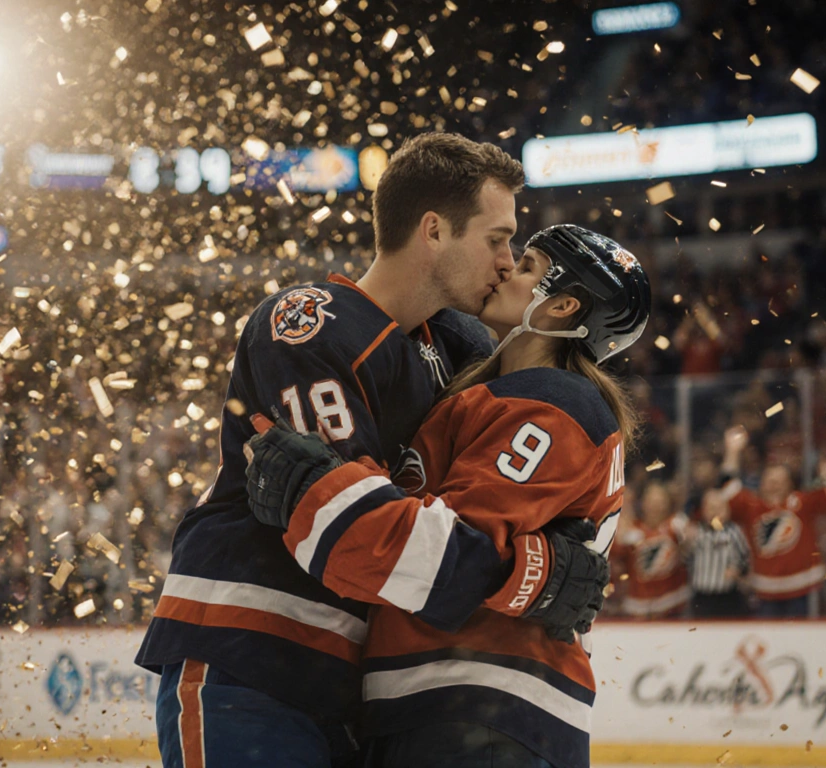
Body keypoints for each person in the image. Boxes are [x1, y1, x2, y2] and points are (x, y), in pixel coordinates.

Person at [135, 134, 612, 768]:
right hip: (249, 651)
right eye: (497, 239)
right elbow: (348, 524)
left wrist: (543, 554)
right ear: (434, 230)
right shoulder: (310, 319)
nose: (507, 260)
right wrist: (528, 574)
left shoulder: (462, 348)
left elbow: (513, 498)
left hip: (360, 687)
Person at [245, 224, 651, 768]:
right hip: (453, 702)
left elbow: (446, 555)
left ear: (562, 306)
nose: (507, 268)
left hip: (484, 702)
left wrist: (316, 493)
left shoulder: (553, 403)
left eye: (528, 265)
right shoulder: (491, 386)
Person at [717, 423, 826, 618]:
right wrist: (732, 452)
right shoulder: (752, 506)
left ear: (790, 485)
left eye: (779, 481)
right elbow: (727, 489)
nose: (773, 485)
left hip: (805, 588)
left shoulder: (803, 502)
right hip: (766, 591)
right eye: (769, 481)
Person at [613, 481, 691, 618]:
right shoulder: (632, 532)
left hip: (672, 605)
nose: (655, 507)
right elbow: (615, 559)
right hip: (639, 607)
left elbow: (690, 547)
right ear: (642, 503)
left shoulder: (676, 525)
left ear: (668, 503)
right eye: (651, 501)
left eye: (660, 501)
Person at [686, 489, 751, 618]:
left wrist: (738, 570)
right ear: (703, 511)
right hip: (702, 595)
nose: (715, 513)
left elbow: (745, 557)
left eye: (719, 508)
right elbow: (686, 560)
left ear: (727, 511)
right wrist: (686, 543)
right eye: (711, 508)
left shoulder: (734, 532)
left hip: (727, 595)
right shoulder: (696, 532)